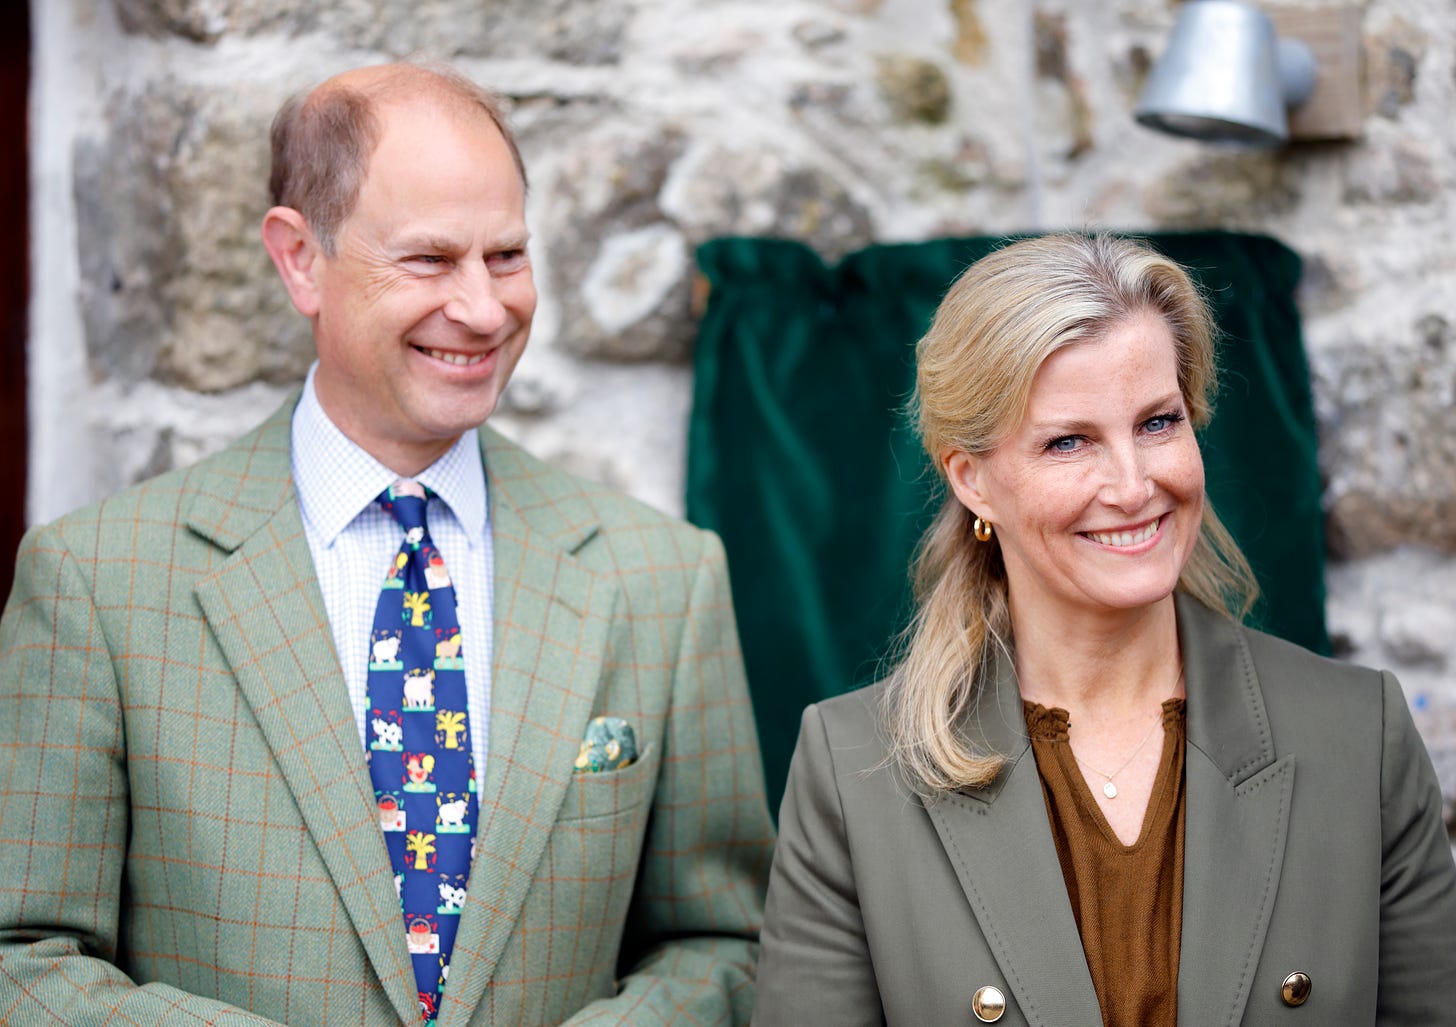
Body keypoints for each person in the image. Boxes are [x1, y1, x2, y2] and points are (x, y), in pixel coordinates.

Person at [0, 62, 773, 1025]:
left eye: (507, 256)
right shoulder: (96, 580)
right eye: (429, 260)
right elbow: (22, 956)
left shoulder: (663, 576)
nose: (485, 310)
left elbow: (724, 942)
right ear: (299, 259)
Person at [752, 233, 1456, 1026]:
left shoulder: (1360, 732)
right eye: (1069, 440)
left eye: (1158, 422)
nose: (1133, 484)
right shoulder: (853, 770)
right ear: (971, 478)